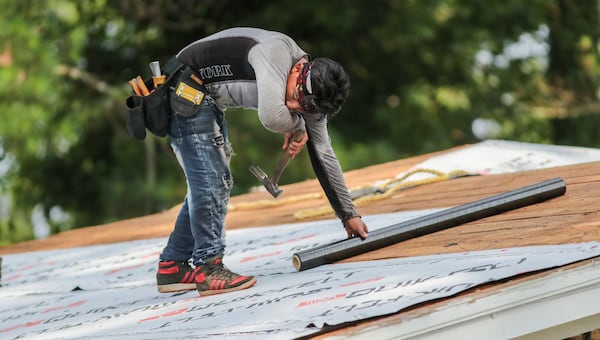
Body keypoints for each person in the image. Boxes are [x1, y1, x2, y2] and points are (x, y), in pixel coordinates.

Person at [156, 27, 369, 296]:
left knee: (212, 182)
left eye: (303, 109)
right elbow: (271, 117)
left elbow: (324, 153)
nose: (294, 107)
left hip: (207, 97)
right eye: (295, 99)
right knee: (211, 182)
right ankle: (208, 269)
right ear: (297, 71)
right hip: (185, 87)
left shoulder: (311, 96)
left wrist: (349, 214)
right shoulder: (275, 52)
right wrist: (299, 127)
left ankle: (172, 266)